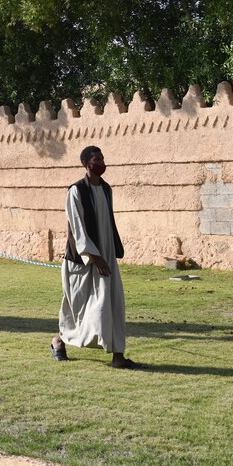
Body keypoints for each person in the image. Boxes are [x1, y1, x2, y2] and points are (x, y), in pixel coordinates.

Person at [51, 145, 142, 369]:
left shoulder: (106, 189)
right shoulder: (76, 191)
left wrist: (108, 256)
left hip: (107, 258)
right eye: (96, 159)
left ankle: (118, 357)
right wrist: (95, 257)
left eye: (102, 158)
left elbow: (107, 224)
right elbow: (78, 228)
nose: (101, 162)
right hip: (83, 262)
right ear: (86, 164)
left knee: (114, 305)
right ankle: (59, 341)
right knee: (82, 310)